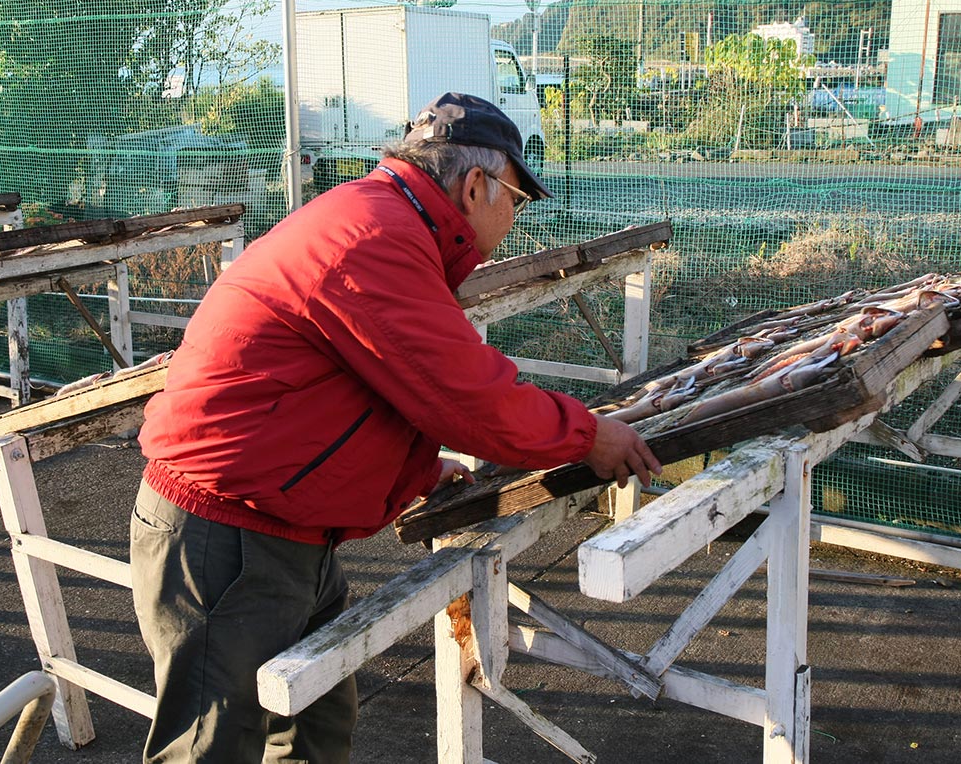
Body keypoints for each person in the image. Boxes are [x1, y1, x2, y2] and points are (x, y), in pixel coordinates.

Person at [129, 91, 662, 763]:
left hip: (279, 533)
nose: (514, 219)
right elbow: (467, 399)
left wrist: (415, 471)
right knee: (210, 748)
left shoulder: (382, 220)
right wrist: (590, 435)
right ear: (476, 184)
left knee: (316, 730)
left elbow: (373, 388)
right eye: (517, 201)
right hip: (227, 539)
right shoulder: (375, 237)